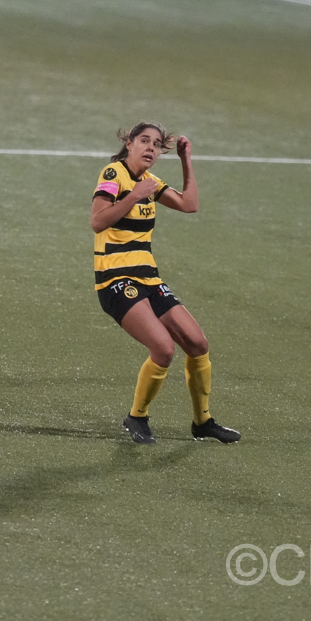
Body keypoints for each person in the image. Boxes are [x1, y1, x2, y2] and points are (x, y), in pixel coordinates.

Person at [91, 123, 240, 445]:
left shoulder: (151, 182)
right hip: (115, 279)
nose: (150, 148)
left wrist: (187, 161)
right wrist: (133, 196)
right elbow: (97, 222)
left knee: (198, 344)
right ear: (129, 144)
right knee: (163, 348)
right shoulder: (114, 174)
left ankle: (203, 422)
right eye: (144, 141)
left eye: (157, 145)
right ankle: (137, 417)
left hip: (148, 278)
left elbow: (190, 205)